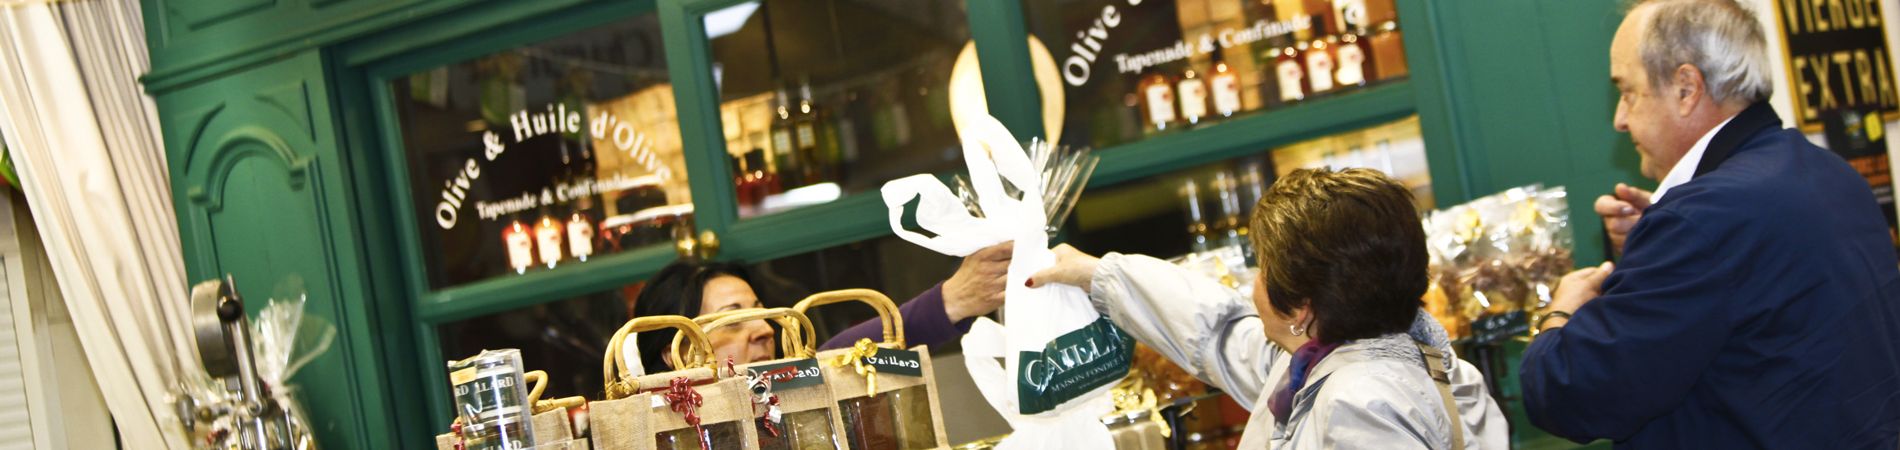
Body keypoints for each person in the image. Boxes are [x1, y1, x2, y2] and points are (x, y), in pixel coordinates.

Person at [1520, 0, 1900, 447]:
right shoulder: (1827, 170)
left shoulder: (1701, 219)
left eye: (1628, 92)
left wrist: (1560, 312)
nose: (1620, 120)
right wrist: (1654, 245)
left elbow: (1572, 394)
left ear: (1687, 88)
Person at [1028, 168, 1506, 448]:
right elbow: (1218, 334)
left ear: (1298, 306)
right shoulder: (1362, 365)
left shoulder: (1358, 402)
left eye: (1261, 268)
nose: (1254, 284)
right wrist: (1095, 274)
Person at [628, 242, 1011, 373]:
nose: (764, 330)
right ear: (676, 353)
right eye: (734, 320)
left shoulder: (789, 395)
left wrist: (953, 301)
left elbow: (839, 358)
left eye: (761, 313)